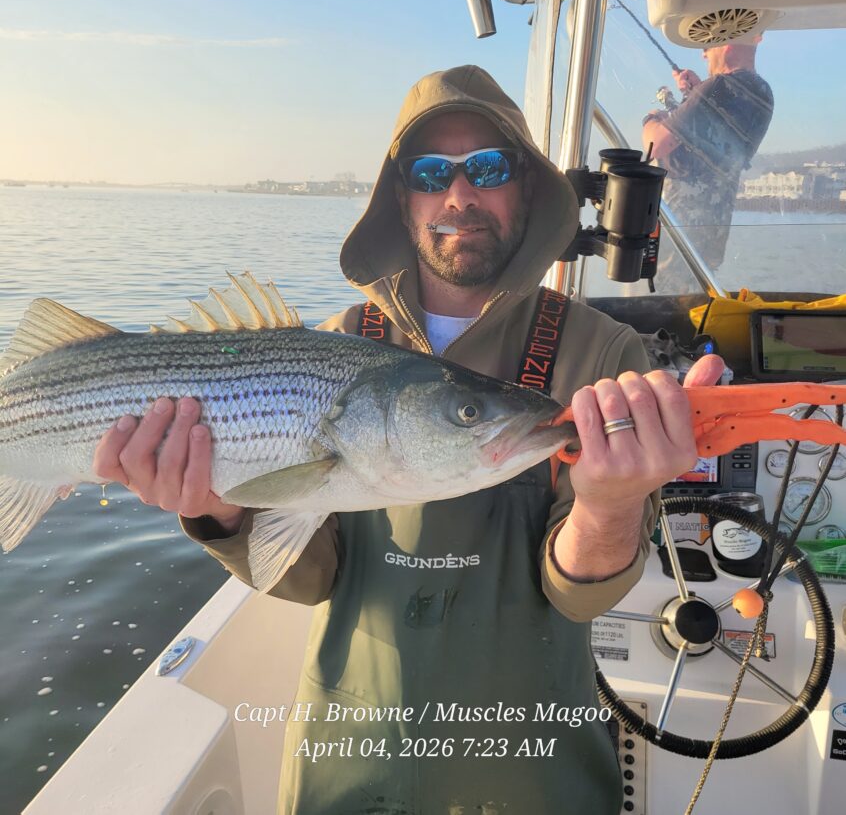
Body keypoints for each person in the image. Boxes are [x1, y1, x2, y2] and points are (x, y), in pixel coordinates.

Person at [93, 65, 723, 814]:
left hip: (530, 763)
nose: (459, 195)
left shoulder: (605, 352)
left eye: (487, 168)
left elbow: (579, 599)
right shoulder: (332, 345)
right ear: (402, 197)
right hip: (350, 758)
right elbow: (312, 579)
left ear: (526, 186)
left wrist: (610, 505)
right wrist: (216, 510)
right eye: (431, 174)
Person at [642, 37, 774, 287]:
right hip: (712, 233)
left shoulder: (719, 86)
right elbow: (713, 130)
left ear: (727, 43)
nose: (703, 55)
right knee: (698, 293)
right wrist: (695, 93)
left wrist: (651, 118)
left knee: (665, 296)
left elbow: (655, 145)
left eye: (706, 46)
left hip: (679, 233)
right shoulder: (763, 93)